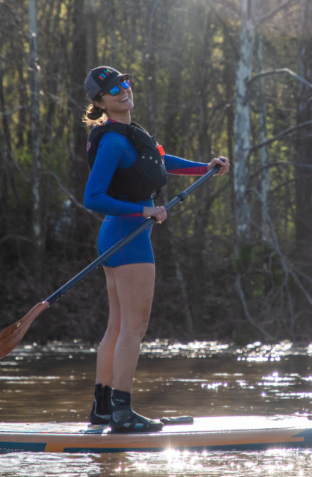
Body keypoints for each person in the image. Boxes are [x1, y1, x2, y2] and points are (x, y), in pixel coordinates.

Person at [81, 66, 229, 433]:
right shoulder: (114, 141)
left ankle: (102, 409)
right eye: (113, 89)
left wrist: (204, 168)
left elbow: (161, 161)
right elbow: (93, 196)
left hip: (117, 235)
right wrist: (144, 209)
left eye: (125, 83)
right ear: (100, 102)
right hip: (128, 237)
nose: (122, 90)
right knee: (135, 326)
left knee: (117, 326)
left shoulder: (131, 135)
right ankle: (122, 412)